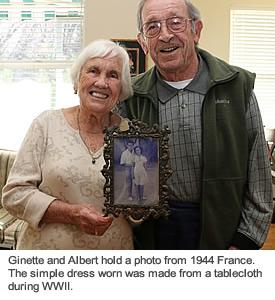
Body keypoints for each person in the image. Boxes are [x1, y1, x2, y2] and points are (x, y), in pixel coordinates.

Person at [119, 0, 273, 249]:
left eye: (176, 22)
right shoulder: (130, 97)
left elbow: (259, 173)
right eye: (153, 26)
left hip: (222, 232)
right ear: (143, 41)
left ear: (197, 30)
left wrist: (245, 240)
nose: (166, 34)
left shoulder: (236, 86)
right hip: (152, 235)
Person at [2, 39, 134, 250]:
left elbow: (139, 206)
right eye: (93, 71)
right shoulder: (46, 124)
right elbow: (14, 195)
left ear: (121, 89)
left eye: (113, 75)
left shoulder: (132, 135)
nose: (102, 82)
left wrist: (142, 208)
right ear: (76, 81)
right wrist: (71, 213)